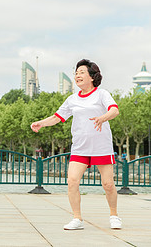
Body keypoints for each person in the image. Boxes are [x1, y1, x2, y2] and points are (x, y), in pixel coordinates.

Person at [30, 59, 121, 230]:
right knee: (72, 181)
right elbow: (57, 117)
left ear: (92, 77)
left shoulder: (102, 94)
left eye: (82, 72)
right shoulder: (72, 99)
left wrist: (103, 117)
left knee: (108, 184)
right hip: (80, 147)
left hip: (101, 147)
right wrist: (41, 123)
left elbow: (114, 110)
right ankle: (77, 219)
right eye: (76, 73)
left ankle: (114, 215)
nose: (77, 75)